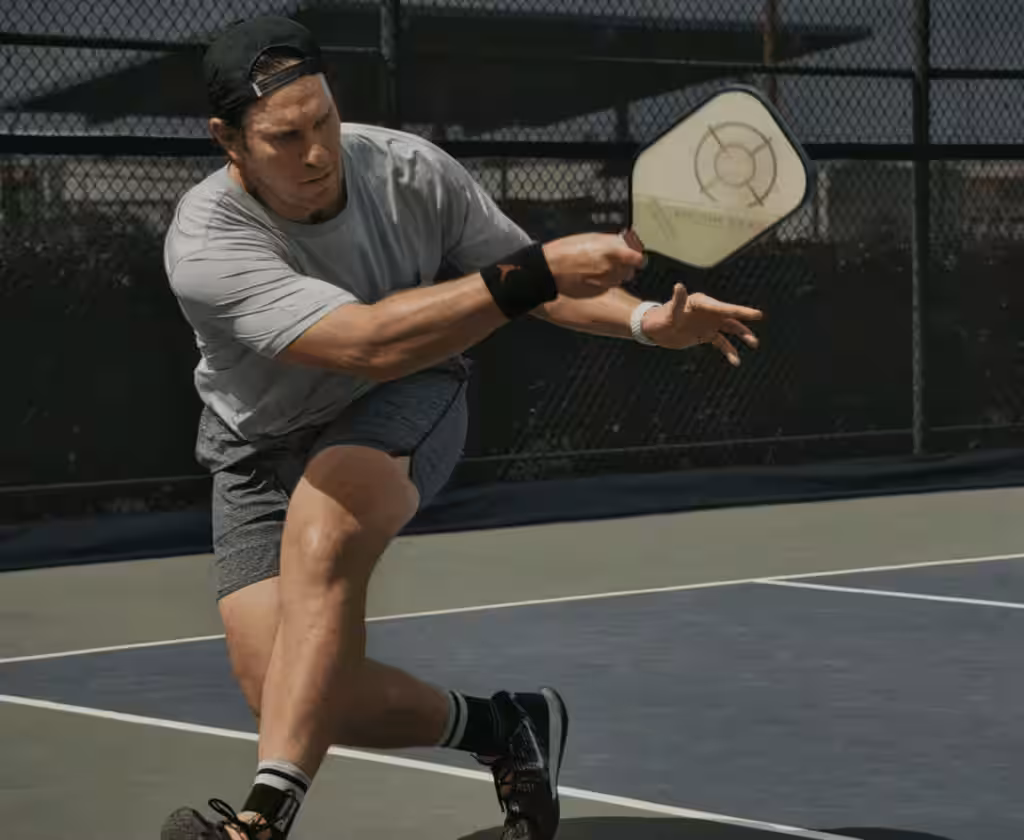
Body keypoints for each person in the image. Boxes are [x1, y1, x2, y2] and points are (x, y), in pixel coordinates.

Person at [159, 14, 763, 840]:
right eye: (285, 138)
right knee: (283, 688)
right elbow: (367, 338)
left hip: (404, 392)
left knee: (324, 535)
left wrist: (647, 321)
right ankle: (504, 727)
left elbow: (535, 288)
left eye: (324, 119)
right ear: (228, 141)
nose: (317, 152)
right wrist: (538, 270)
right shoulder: (206, 242)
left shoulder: (409, 170)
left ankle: (262, 822)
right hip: (259, 441)